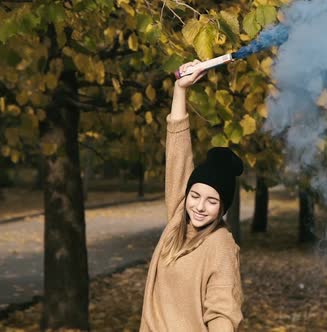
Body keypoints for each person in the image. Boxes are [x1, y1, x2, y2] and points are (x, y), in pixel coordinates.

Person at [139, 60, 244, 332]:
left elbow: (223, 310)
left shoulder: (220, 244)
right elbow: (178, 150)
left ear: (223, 208)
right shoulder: (178, 220)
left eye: (212, 201)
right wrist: (180, 89)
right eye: (195, 195)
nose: (199, 207)